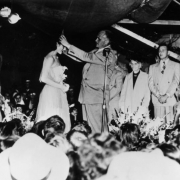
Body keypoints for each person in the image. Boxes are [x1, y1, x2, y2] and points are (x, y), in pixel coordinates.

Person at [60, 30, 116, 134]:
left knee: (96, 128)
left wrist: (68, 45)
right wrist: (66, 50)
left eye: (98, 38)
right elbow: (81, 59)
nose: (95, 40)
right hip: (88, 95)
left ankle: (98, 148)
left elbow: (86, 57)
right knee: (88, 127)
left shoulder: (108, 53)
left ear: (106, 40)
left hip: (96, 96)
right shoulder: (97, 51)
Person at [35, 43, 71, 133]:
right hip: (51, 93)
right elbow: (42, 78)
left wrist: (63, 84)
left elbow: (54, 77)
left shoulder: (56, 57)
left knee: (59, 121)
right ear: (56, 44)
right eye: (63, 46)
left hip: (57, 92)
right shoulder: (49, 57)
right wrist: (61, 86)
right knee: (52, 121)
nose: (64, 48)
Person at [149, 43, 180, 124]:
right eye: (159, 51)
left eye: (163, 50)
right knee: (158, 128)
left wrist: (166, 95)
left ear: (168, 52)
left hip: (170, 100)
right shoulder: (152, 67)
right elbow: (151, 84)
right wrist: (159, 96)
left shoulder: (176, 65)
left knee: (170, 128)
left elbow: (176, 82)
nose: (161, 52)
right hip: (157, 101)